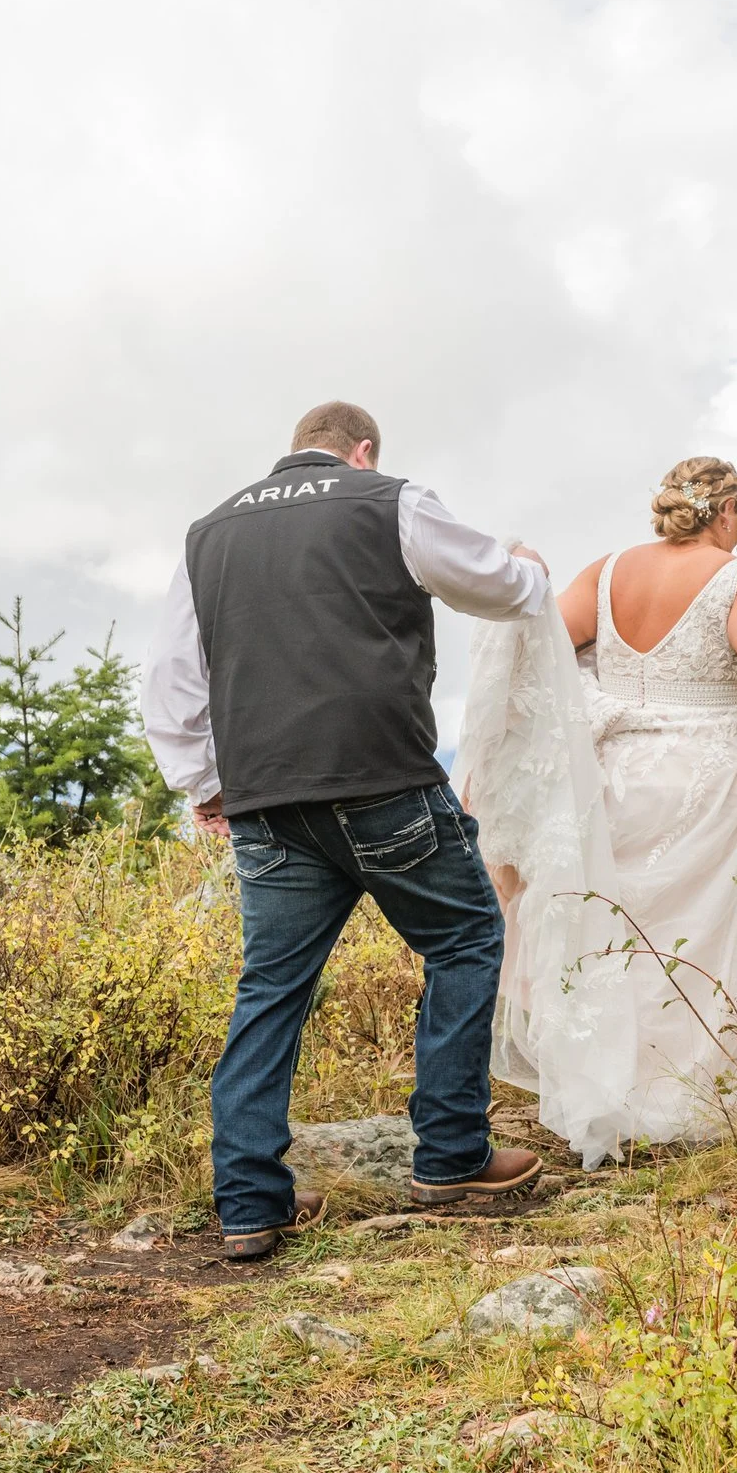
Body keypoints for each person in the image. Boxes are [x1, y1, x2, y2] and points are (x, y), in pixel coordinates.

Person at [144, 401, 554, 1260]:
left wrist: (206, 786)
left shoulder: (207, 534)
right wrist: (528, 568)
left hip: (266, 800)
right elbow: (497, 587)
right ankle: (448, 1158)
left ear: (294, 451)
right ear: (361, 451)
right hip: (382, 783)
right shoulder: (389, 500)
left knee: (271, 989)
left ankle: (251, 1205)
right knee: (468, 937)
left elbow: (173, 682)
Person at [455, 456, 737, 1167]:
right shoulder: (735, 576)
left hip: (614, 777)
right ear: (727, 511)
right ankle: (687, 1098)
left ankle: (610, 1088)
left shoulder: (608, 572)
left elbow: (540, 641)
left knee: (618, 929)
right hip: (705, 781)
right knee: (695, 937)